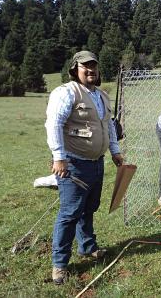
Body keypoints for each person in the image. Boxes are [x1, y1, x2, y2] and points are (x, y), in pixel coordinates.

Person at [45, 50, 124, 285]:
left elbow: (108, 126)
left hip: (96, 162)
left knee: (89, 208)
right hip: (73, 164)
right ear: (75, 70)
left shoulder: (101, 95)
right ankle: (59, 265)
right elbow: (54, 124)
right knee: (70, 214)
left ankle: (88, 248)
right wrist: (58, 158)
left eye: (93, 66)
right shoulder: (66, 92)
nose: (90, 70)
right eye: (84, 66)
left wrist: (115, 151)